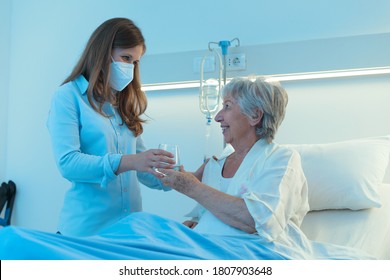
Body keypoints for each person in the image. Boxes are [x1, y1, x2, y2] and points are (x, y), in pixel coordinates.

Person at [46, 18, 176, 237]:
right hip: (86, 233)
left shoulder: (123, 103)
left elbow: (141, 168)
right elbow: (68, 164)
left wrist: (183, 178)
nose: (130, 68)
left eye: (135, 62)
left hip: (129, 232)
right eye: (126, 58)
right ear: (102, 52)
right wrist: (130, 161)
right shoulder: (68, 96)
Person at [158, 76, 315, 257]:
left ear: (255, 116)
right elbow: (210, 211)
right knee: (139, 225)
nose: (217, 117)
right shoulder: (215, 164)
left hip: (255, 254)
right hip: (206, 249)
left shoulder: (282, 159)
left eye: (227, 106)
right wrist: (197, 224)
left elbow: (258, 221)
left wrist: (191, 186)